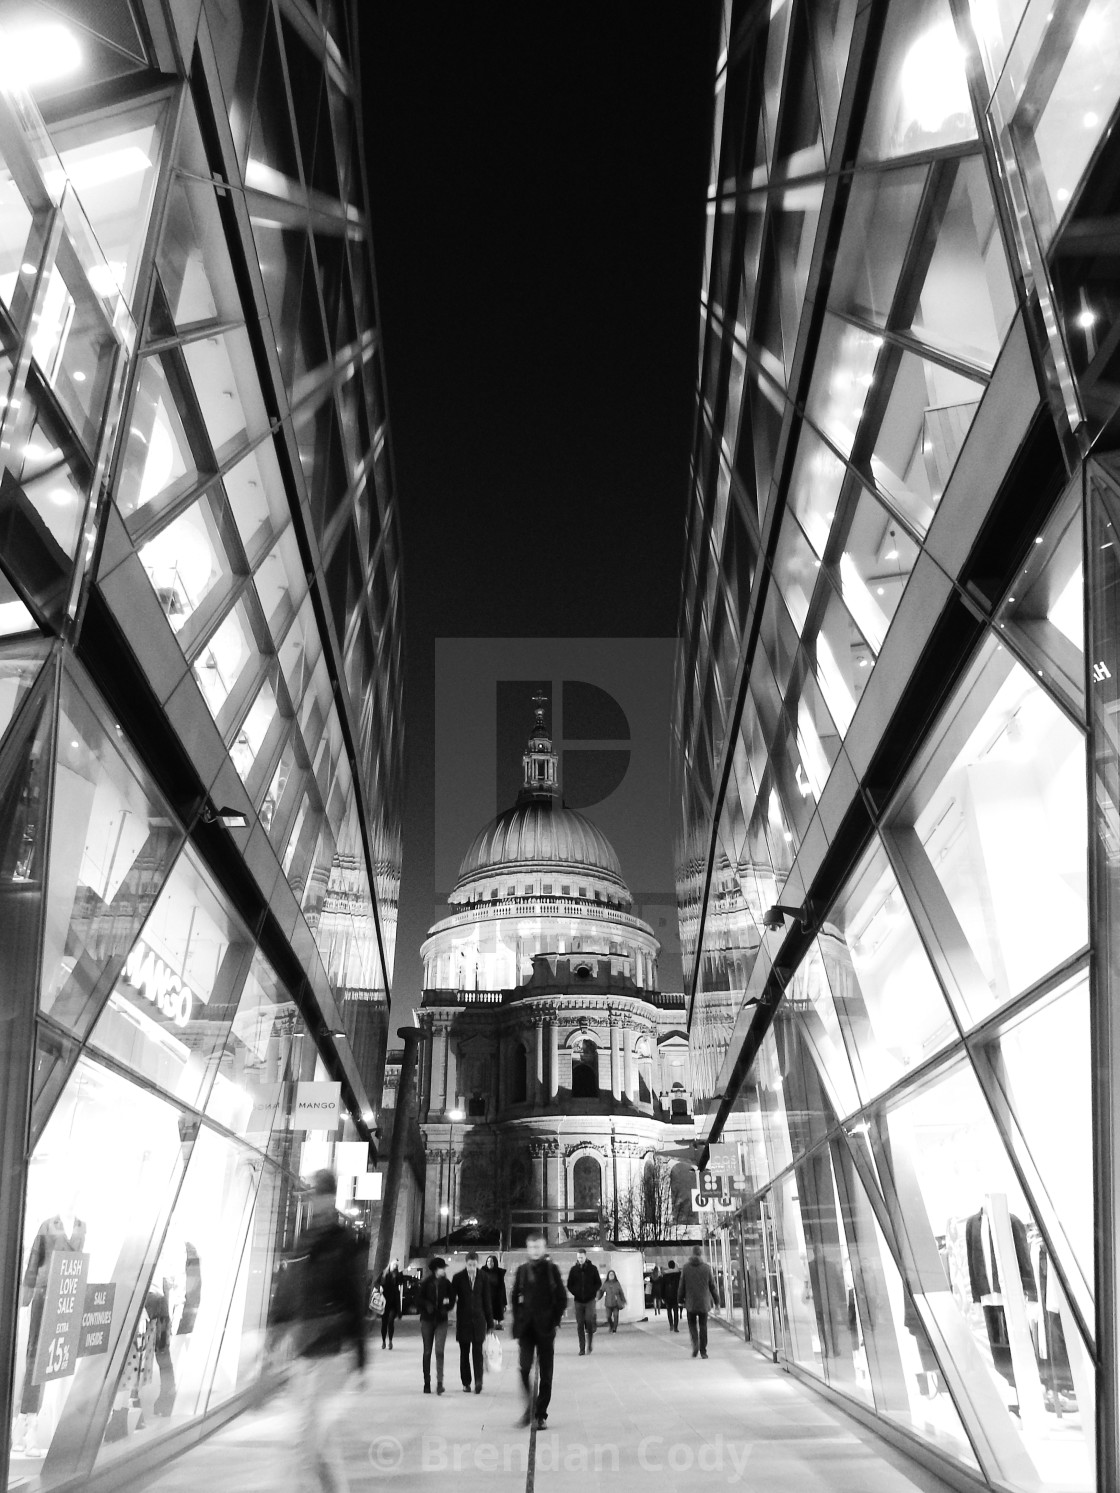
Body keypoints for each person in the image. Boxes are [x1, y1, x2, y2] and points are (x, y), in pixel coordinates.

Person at [266, 1170, 366, 1492]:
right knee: (322, 1447)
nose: (312, 1200)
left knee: (305, 1445)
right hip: (305, 1351)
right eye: (310, 1195)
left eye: (317, 1194)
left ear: (329, 1197)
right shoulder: (306, 1238)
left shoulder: (344, 1241)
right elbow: (290, 1286)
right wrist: (275, 1330)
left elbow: (354, 1298)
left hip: (329, 1354)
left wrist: (361, 1355)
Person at [510, 1232, 567, 1429]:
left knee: (546, 1373)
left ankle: (540, 1414)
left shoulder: (552, 1270)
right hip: (526, 1329)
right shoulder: (522, 1270)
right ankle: (531, 1406)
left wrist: (554, 1320)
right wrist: (518, 1319)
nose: (534, 1251)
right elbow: (515, 1296)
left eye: (538, 1247)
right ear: (528, 1248)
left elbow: (561, 1298)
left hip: (545, 1329)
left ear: (544, 1248)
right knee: (524, 1369)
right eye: (531, 1247)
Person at [452, 1251, 494, 1393]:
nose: (471, 1267)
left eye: (474, 1265)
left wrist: (490, 1323)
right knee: (464, 1354)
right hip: (463, 1321)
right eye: (469, 1265)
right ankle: (466, 1382)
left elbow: (487, 1300)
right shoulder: (458, 1278)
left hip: (479, 1321)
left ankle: (478, 1381)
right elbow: (452, 1297)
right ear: (466, 1263)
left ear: (478, 1264)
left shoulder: (484, 1277)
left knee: (477, 1353)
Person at [418, 1256, 453, 1393]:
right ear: (436, 1270)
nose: (444, 1270)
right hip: (427, 1320)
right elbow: (419, 1299)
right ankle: (427, 1381)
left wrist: (447, 1308)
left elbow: (451, 1299)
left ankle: (440, 1382)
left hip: (441, 1320)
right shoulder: (426, 1283)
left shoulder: (447, 1283)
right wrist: (427, 1305)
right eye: (442, 1268)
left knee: (439, 1350)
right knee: (427, 1351)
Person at [677, 1244, 719, 1359]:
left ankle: (695, 1344)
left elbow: (682, 1286)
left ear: (692, 1253)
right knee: (703, 1326)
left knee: (692, 1325)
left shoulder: (686, 1268)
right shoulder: (706, 1268)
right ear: (700, 1253)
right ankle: (703, 1351)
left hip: (690, 1302)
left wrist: (680, 1300)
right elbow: (712, 1286)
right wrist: (717, 1301)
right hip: (704, 1302)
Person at [566, 1247, 601, 1356]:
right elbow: (569, 1284)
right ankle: (582, 1348)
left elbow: (598, 1283)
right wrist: (575, 1292)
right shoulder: (574, 1270)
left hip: (590, 1300)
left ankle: (589, 1344)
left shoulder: (593, 1269)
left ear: (585, 1256)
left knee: (589, 1321)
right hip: (578, 1301)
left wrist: (592, 1291)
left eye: (581, 1257)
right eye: (578, 1258)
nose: (580, 1259)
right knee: (580, 1324)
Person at [379, 1257, 404, 1349]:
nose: (395, 1267)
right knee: (384, 1323)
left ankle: (390, 1341)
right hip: (384, 1301)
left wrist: (399, 1272)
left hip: (393, 1302)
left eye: (396, 1266)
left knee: (390, 1321)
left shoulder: (397, 1274)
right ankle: (383, 1341)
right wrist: (380, 1288)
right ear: (390, 1265)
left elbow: (401, 1282)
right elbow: (377, 1283)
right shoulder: (384, 1273)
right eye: (394, 1265)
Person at [482, 1254, 507, 1326]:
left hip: (497, 1297)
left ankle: (498, 1323)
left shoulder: (499, 1273)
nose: (489, 1263)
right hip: (486, 1296)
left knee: (497, 1310)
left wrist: (504, 1302)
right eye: (488, 1261)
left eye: (491, 1261)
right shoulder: (482, 1272)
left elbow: (502, 1288)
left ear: (495, 1263)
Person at [661, 1259, 682, 1333]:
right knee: (676, 1311)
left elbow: (662, 1287)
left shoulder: (665, 1275)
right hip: (675, 1295)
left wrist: (662, 1297)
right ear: (674, 1266)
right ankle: (676, 1327)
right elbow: (680, 1285)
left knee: (669, 1311)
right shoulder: (678, 1275)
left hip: (667, 1295)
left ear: (668, 1266)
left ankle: (671, 1325)